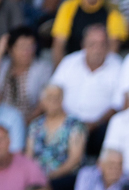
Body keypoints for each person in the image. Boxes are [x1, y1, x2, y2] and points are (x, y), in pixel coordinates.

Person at [48, 26, 123, 155]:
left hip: (100, 126)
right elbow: (53, 91)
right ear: (83, 45)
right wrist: (66, 120)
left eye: (102, 44)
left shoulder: (118, 65)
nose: (97, 49)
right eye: (92, 44)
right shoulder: (69, 62)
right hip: (66, 122)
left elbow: (117, 105)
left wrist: (94, 124)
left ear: (108, 46)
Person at [27, 85, 87, 190]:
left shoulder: (74, 124)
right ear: (42, 102)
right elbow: (28, 157)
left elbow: (75, 159)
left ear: (62, 100)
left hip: (65, 175)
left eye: (57, 97)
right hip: (38, 176)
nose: (53, 101)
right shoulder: (35, 125)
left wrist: (50, 176)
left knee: (51, 187)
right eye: (49, 97)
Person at [0, 28, 51, 122]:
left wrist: (25, 122)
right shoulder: (3, 65)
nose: (27, 51)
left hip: (29, 121)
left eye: (31, 46)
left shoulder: (43, 69)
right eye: (22, 46)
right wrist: (0, 48)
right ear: (10, 49)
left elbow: (44, 101)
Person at [49, 0, 128, 61]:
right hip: (73, 63)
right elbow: (59, 44)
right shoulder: (69, 6)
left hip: (102, 63)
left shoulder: (112, 9)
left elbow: (113, 47)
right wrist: (62, 70)